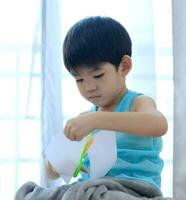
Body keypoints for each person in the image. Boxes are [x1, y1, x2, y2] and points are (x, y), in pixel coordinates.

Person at [15, 16, 168, 200]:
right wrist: (55, 165)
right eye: (79, 79)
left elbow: (159, 124)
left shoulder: (137, 103)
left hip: (133, 189)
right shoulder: (85, 119)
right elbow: (52, 172)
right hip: (89, 187)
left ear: (124, 66)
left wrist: (96, 120)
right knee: (41, 196)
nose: (89, 87)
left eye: (98, 75)